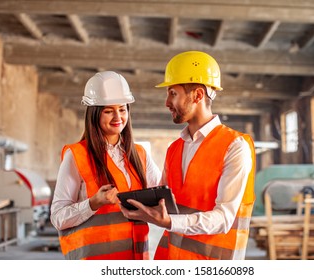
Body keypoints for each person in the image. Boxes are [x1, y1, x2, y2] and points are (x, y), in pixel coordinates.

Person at [120, 50, 256, 260]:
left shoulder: (235, 146)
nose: (166, 102)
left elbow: (224, 218)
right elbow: (164, 203)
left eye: (173, 93)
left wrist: (169, 222)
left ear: (198, 95)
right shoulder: (175, 148)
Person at [50, 71, 161, 260]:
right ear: (94, 113)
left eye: (122, 109)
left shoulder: (140, 154)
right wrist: (93, 203)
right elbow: (58, 217)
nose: (118, 116)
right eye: (109, 110)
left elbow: (160, 195)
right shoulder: (77, 155)